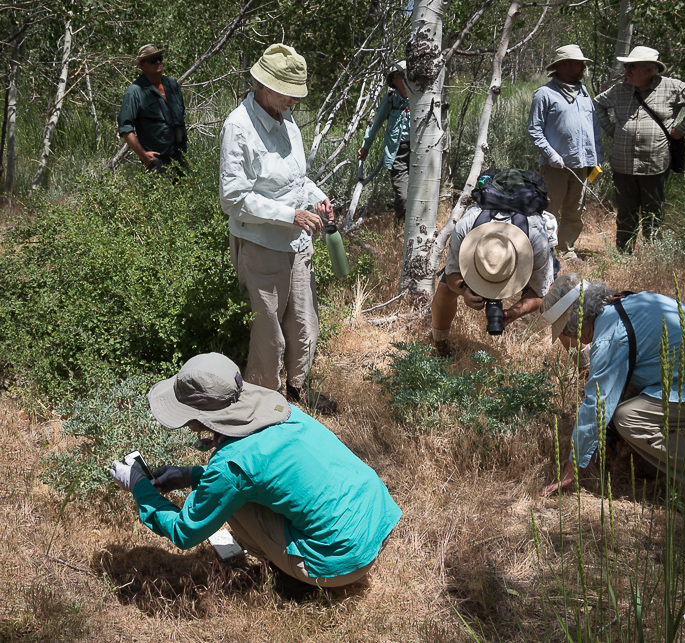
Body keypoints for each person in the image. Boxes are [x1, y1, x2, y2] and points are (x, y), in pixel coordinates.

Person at [109, 353, 401, 587]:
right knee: (236, 491)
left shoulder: (230, 467)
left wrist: (139, 486)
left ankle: (293, 580)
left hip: (340, 561)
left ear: (199, 417)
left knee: (234, 502)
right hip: (378, 520)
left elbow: (183, 532)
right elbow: (266, 472)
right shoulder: (281, 413)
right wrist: (189, 475)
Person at [538, 273, 685, 506]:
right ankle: (654, 466)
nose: (571, 338)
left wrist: (572, 466)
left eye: (566, 331)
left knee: (631, 418)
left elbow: (597, 404)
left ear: (577, 321)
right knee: (631, 399)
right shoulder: (628, 301)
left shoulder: (611, 335)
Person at [219, 43, 337, 414]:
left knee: (304, 321)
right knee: (268, 331)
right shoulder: (238, 127)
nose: (294, 101)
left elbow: (296, 179)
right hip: (262, 244)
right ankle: (263, 403)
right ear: (265, 86)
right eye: (288, 93)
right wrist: (291, 215)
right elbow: (233, 199)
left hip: (297, 241)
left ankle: (299, 389)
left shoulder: (286, 120)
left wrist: (317, 198)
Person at [430, 170, 559, 356]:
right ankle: (439, 344)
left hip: (529, 245)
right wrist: (464, 291)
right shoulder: (467, 225)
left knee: (557, 296)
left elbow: (543, 291)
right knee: (444, 289)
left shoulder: (536, 237)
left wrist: (515, 311)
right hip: (482, 238)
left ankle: (584, 362)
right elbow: (451, 275)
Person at [595, 46, 685, 250]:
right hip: (623, 164)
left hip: (654, 164)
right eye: (627, 66)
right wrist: (610, 129)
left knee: (653, 211)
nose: (627, 70)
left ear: (650, 70)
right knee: (625, 211)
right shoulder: (619, 90)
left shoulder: (671, 87)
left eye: (632, 66)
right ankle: (624, 252)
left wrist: (681, 129)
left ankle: (653, 252)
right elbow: (597, 104)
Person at [526, 45, 603, 261]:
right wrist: (551, 154)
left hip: (583, 164)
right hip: (556, 166)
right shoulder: (544, 94)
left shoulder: (584, 94)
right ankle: (542, 251)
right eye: (579, 64)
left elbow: (594, 128)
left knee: (575, 210)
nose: (583, 68)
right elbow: (534, 129)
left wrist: (596, 156)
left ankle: (566, 250)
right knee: (549, 209)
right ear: (564, 65)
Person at [117, 44, 188, 172]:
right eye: (152, 60)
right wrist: (145, 156)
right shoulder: (135, 92)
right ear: (142, 65)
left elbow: (182, 115)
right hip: (157, 161)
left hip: (180, 156)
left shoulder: (172, 85)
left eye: (160, 58)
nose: (158, 62)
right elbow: (125, 128)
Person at [358, 61, 410, 222]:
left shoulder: (419, 99)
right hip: (398, 155)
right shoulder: (389, 101)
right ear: (394, 80)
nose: (406, 78)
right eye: (402, 75)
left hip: (419, 153)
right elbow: (376, 125)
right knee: (403, 196)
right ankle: (399, 227)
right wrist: (366, 147)